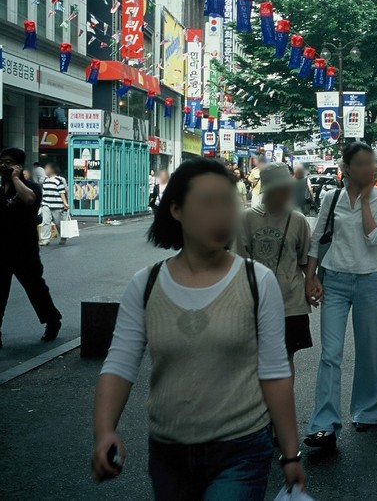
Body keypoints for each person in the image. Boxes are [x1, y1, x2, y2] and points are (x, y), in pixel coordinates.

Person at [90, 159, 304, 498]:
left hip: (242, 448)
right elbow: (119, 364)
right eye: (207, 203)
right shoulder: (145, 285)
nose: (221, 213)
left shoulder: (257, 281)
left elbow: (275, 371)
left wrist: (291, 453)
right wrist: (104, 432)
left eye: (228, 202)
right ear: (176, 209)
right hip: (168, 451)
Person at [303, 142, 377, 450]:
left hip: (369, 282)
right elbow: (317, 239)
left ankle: (367, 412)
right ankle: (324, 424)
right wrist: (310, 276)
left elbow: (374, 238)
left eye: (372, 163)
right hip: (335, 282)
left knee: (371, 350)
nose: (370, 168)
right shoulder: (332, 197)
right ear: (347, 167)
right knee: (330, 353)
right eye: (363, 163)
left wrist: (366, 201)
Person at [236, 163, 312, 379]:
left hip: (291, 304)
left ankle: (282, 407)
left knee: (287, 358)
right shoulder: (246, 219)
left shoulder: (297, 220)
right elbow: (238, 264)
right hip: (256, 303)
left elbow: (305, 260)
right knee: (256, 359)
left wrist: (312, 284)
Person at [0, 148, 63, 349]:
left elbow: (28, 200)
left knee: (35, 288)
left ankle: (52, 321)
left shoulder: (31, 187)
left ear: (18, 166)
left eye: (8, 162)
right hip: (2, 249)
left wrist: (16, 179)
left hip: (24, 250)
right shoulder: (1, 189)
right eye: (1, 162)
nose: (3, 165)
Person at [40, 163, 70, 246]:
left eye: (47, 169)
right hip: (46, 204)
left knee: (58, 223)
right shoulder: (45, 180)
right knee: (46, 222)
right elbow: (44, 192)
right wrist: (41, 203)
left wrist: (65, 203)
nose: (45, 171)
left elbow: (62, 192)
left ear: (52, 170)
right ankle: (45, 239)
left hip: (57, 205)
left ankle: (63, 236)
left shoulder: (59, 180)